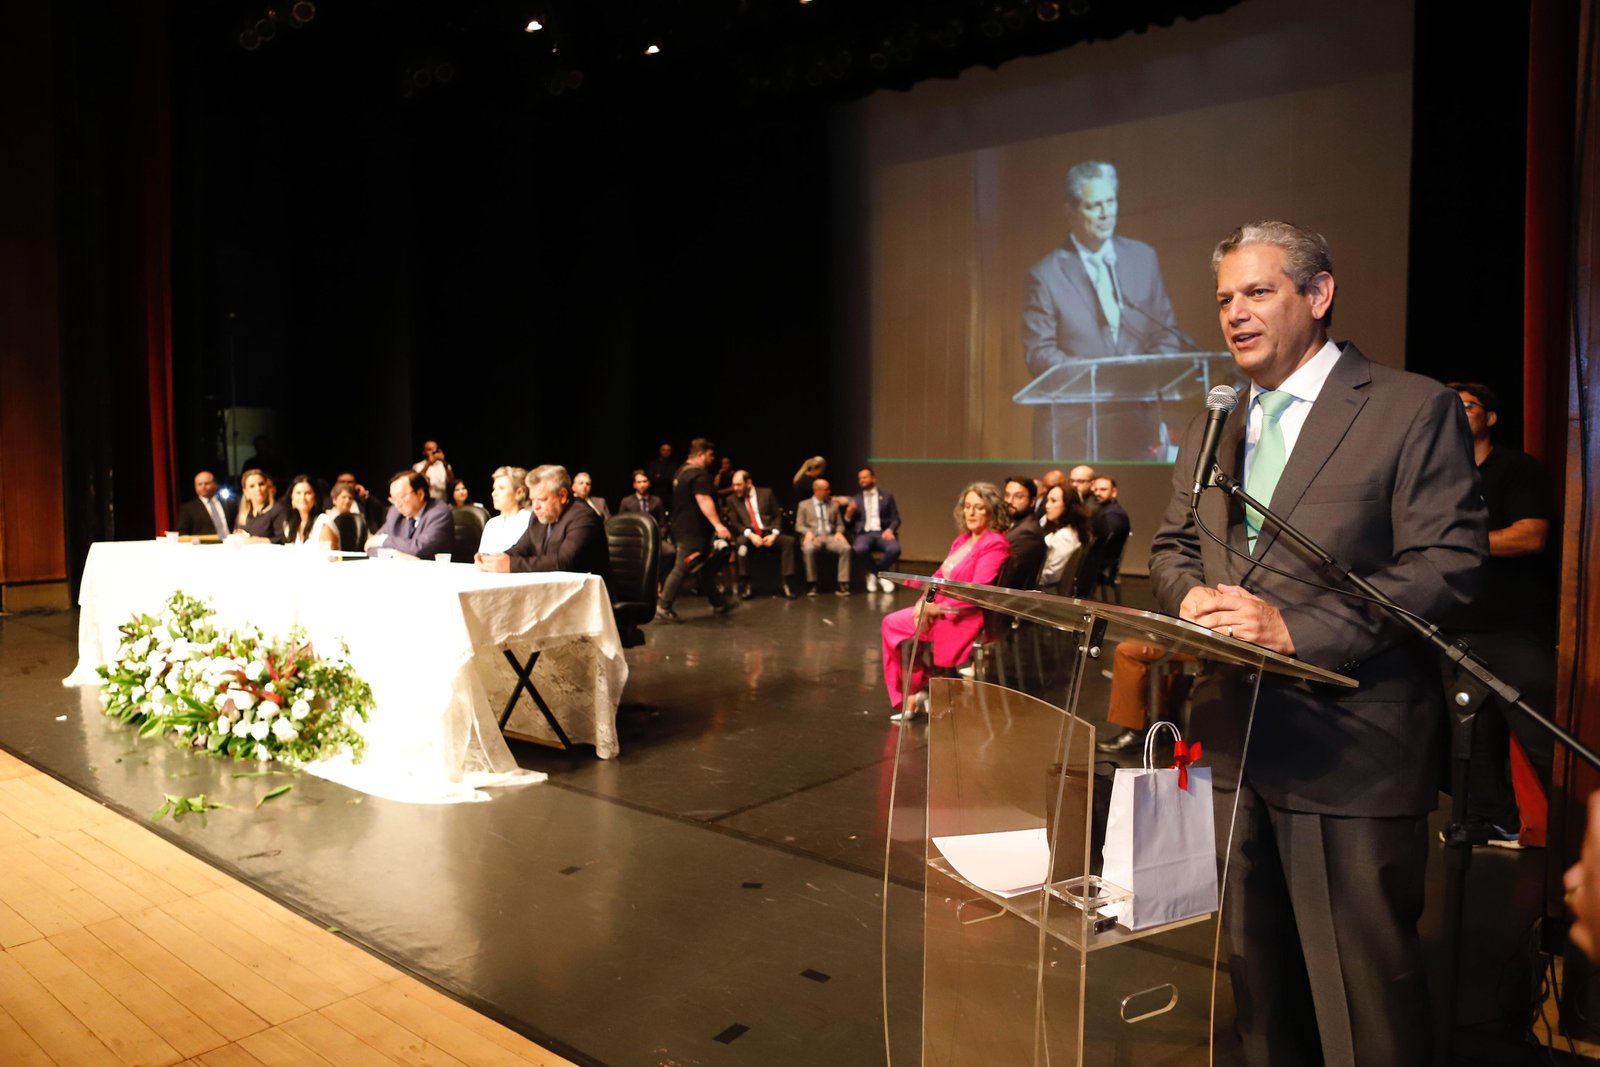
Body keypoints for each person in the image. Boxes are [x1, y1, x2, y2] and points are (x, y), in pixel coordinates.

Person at [1147, 220, 1485, 1065]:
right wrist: (1188, 597)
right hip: (1228, 745)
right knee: (1256, 999)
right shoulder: (1212, 425)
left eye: (1257, 292)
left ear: (1319, 294)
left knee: (1362, 1006)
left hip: (1353, 753)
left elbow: (1449, 566)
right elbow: (1170, 545)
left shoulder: (1410, 407)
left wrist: (1299, 629)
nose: (1234, 314)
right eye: (1224, 298)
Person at [1445, 380, 1558, 849]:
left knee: (1542, 738)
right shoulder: (1435, 474)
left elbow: (1531, 535)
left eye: (1465, 406)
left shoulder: (1516, 468)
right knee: (1470, 737)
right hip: (1451, 625)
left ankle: (1583, 834)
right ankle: (1492, 822)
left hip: (1512, 627)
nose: (1453, 412)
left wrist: (1458, 547)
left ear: (1489, 418)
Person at [1022, 162, 1181, 460]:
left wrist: (1147, 370)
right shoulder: (1045, 275)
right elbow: (1040, 355)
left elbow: (1166, 336)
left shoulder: (1143, 259)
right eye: (1094, 206)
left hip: (1136, 427)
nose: (1106, 213)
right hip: (1074, 433)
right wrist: (1103, 378)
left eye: (1111, 202)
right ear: (1070, 212)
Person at [880, 482, 1012, 721]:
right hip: (940, 610)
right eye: (967, 506)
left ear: (991, 511)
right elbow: (938, 577)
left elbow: (976, 593)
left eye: (979, 507)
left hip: (963, 617)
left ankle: (921, 690)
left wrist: (937, 608)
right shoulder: (963, 540)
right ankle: (919, 688)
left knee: (896, 627)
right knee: (892, 624)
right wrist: (923, 602)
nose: (970, 513)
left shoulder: (994, 543)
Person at [478, 465, 609, 578]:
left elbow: (563, 562)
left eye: (542, 499)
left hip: (587, 597)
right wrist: (491, 560)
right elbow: (519, 549)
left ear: (562, 496)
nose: (536, 506)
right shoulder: (537, 517)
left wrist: (510, 565)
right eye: (533, 500)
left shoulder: (583, 517)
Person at [656, 438, 735, 622]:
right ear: (700, 454)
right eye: (710, 455)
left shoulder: (680, 472)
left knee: (704, 568)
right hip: (693, 530)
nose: (712, 459)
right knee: (682, 567)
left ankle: (718, 603)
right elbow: (704, 501)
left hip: (682, 527)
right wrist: (719, 525)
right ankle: (664, 606)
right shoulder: (699, 475)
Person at [724, 469, 797, 599]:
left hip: (769, 533)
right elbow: (735, 523)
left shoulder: (766, 494)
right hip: (749, 535)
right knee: (741, 545)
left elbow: (777, 515)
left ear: (749, 483)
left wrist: (774, 534)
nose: (735, 488)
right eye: (733, 485)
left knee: (788, 541)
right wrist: (751, 535)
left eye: (739, 484)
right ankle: (746, 584)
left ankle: (786, 584)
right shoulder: (732, 500)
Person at [367, 470, 456, 559]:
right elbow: (370, 547)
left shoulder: (439, 512)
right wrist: (393, 554)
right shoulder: (394, 513)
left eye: (401, 497)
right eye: (393, 499)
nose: (397, 504)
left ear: (420, 494)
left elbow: (419, 549)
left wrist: (383, 540)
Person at [846, 467, 902, 593]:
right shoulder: (855, 499)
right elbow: (848, 524)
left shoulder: (886, 496)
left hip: (882, 533)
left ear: (873, 478)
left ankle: (874, 573)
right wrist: (848, 514)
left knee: (895, 549)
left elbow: (896, 518)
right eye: (860, 478)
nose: (862, 480)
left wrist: (890, 530)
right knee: (859, 549)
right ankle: (880, 575)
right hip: (864, 533)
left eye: (865, 477)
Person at [795, 477, 851, 596]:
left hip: (830, 537)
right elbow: (798, 526)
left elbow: (840, 524)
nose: (829, 492)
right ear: (817, 490)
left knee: (846, 548)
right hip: (814, 537)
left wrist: (839, 532)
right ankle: (812, 583)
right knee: (808, 549)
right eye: (826, 489)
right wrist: (807, 532)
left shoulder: (833, 505)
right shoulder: (804, 505)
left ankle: (843, 583)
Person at [1079, 475, 1132, 596]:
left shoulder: (1113, 515)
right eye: (1095, 490)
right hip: (1097, 565)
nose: (1097, 493)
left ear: (1113, 492)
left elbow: (1101, 546)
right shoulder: (1103, 510)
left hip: (1102, 568)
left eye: (1103, 490)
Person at [1037, 484, 1091, 589]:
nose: (1047, 505)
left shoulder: (1064, 536)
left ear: (1068, 505)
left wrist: (1028, 578)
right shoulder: (1069, 530)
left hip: (1044, 592)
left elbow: (1051, 576)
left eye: (1053, 501)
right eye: (1047, 500)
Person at [1001, 477, 1045, 589]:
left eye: (1018, 496)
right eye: (1007, 495)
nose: (1009, 501)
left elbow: (1008, 582)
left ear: (1033, 501)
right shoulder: (1018, 524)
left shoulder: (1026, 534)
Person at [479, 466, 533, 555]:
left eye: (501, 488)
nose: (494, 493)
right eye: (494, 488)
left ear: (519, 493)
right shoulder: (491, 524)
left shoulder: (530, 522)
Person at [176, 470, 235, 539]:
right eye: (200, 484)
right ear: (195, 487)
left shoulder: (229, 503)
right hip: (204, 546)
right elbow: (182, 532)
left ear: (215, 484)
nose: (203, 486)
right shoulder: (188, 508)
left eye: (207, 483)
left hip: (230, 544)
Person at [232, 468, 286, 541]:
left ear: (267, 487)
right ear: (245, 492)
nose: (258, 489)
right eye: (252, 486)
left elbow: (282, 538)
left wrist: (258, 540)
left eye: (261, 484)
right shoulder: (243, 514)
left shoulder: (277, 509)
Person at [273, 475, 325, 545]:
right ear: (291, 496)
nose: (302, 498)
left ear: (316, 497)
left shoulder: (322, 522)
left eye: (307, 493)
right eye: (298, 493)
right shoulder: (288, 523)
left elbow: (330, 555)